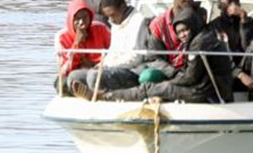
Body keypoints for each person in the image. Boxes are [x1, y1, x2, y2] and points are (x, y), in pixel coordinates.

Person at [74, 7, 234, 104]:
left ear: (194, 25)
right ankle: (104, 95)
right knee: (154, 87)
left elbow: (191, 78)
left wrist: (170, 82)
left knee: (150, 88)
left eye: (186, 30)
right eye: (179, 32)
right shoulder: (201, 38)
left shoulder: (199, 43)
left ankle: (103, 97)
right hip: (207, 88)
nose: (183, 35)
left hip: (205, 92)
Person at [91, 0, 151, 91]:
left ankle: (101, 96)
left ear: (123, 7)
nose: (111, 20)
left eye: (113, 15)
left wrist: (107, 66)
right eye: (108, 16)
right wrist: (100, 65)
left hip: (133, 70)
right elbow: (112, 53)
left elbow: (135, 58)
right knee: (76, 76)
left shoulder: (139, 21)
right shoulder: (115, 23)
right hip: (113, 68)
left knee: (94, 76)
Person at [210, 0, 253, 96]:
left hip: (246, 65)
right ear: (221, 4)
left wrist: (244, 22)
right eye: (230, 1)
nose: (234, 4)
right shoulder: (214, 26)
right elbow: (219, 57)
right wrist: (239, 74)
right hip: (227, 71)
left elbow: (247, 47)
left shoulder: (249, 22)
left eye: (237, 0)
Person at [55, 0, 111, 93]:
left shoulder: (101, 29)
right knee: (61, 84)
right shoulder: (62, 36)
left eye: (85, 17)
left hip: (99, 71)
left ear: (90, 17)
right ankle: (86, 92)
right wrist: (77, 44)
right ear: (71, 19)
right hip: (75, 74)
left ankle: (94, 92)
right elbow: (64, 70)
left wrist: (94, 64)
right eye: (77, 19)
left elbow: (114, 53)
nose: (81, 22)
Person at [149, 0, 201, 69]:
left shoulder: (200, 17)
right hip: (166, 69)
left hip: (192, 67)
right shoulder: (159, 23)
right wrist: (173, 73)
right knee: (148, 75)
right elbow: (154, 58)